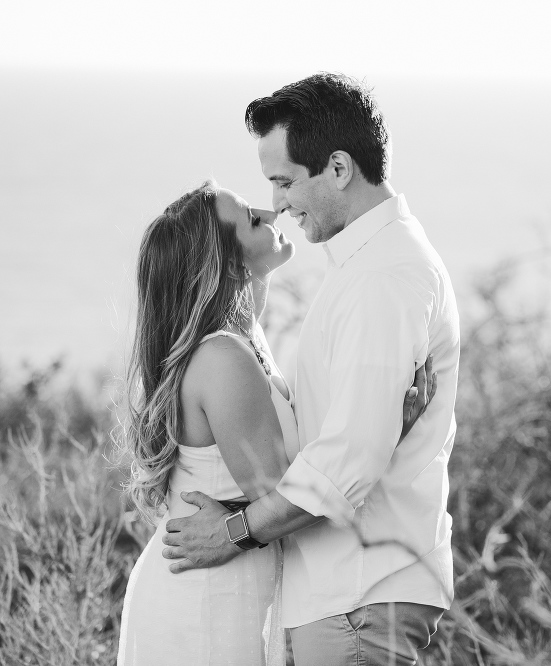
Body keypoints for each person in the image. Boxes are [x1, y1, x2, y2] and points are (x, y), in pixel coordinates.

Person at [161, 73, 461, 665]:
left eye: (284, 182)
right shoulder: (364, 267)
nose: (277, 205)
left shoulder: (381, 278)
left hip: (356, 592)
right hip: (341, 593)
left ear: (340, 168)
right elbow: (346, 437)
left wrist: (234, 531)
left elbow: (350, 455)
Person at [116, 181, 436, 666]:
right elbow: (289, 503)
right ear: (227, 264)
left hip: (225, 582)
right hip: (207, 598)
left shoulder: (242, 341)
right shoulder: (224, 359)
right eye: (249, 217)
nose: (271, 210)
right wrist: (382, 433)